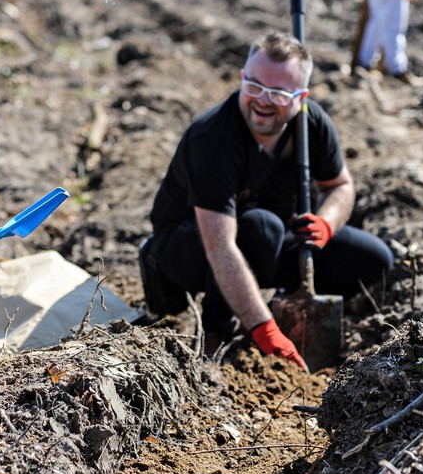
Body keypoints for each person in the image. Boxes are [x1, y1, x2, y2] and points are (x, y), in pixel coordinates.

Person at [141, 32, 394, 371]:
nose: (262, 100)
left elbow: (340, 185)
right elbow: (219, 247)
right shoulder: (213, 138)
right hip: (187, 247)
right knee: (262, 227)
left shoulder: (311, 124)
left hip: (266, 242)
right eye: (254, 86)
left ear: (300, 97)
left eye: (278, 93)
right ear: (242, 78)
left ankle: (283, 308)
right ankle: (219, 332)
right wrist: (264, 328)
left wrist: (326, 223)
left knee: (374, 259)